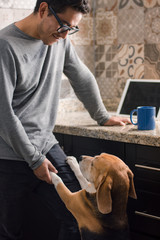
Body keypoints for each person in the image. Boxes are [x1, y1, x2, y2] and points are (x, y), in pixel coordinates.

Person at [0, 0, 130, 239]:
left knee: (77, 217)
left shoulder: (60, 40)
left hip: (45, 145)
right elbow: (3, 114)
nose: (65, 34)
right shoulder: (5, 46)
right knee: (10, 231)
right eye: (63, 26)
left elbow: (82, 77)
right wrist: (34, 160)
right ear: (43, 10)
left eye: (71, 28)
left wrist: (102, 116)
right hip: (7, 156)